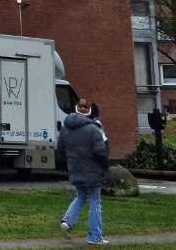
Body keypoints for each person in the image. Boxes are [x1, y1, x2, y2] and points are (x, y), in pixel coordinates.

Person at [56, 98, 110, 244]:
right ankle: (95, 237)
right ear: (90, 111)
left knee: (80, 196)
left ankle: (66, 221)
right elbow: (101, 152)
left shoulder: (66, 128)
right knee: (94, 200)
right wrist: (106, 168)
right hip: (92, 171)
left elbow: (60, 149)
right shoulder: (94, 129)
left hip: (74, 168)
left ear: (75, 108)